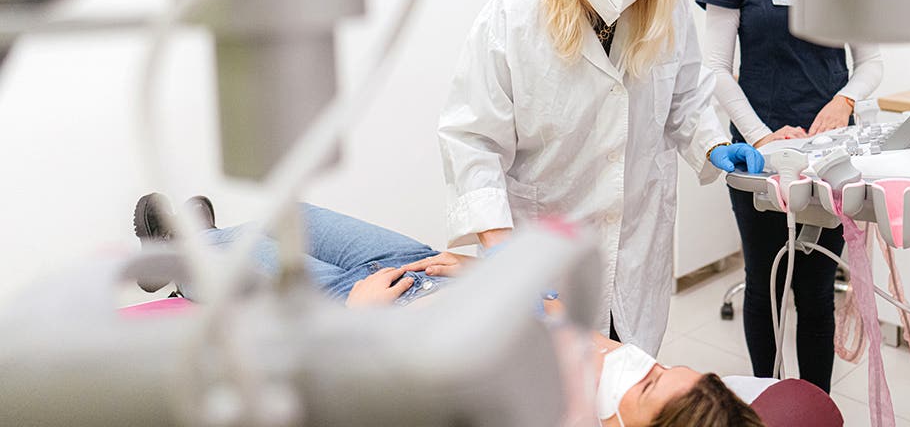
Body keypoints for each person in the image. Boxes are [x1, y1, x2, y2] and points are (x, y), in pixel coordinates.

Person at [130, 194, 768, 427]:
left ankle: (181, 254)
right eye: (671, 367)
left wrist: (359, 317)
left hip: (363, 311)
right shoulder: (636, 383)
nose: (646, 364)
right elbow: (554, 321)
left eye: (653, 382)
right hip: (428, 270)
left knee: (232, 255)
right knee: (291, 218)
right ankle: (203, 250)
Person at [439, 0, 764, 355]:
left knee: (622, 376)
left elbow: (686, 94)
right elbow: (472, 137)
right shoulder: (516, 11)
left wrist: (713, 144)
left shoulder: (664, 4)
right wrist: (499, 248)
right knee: (550, 391)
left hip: (635, 239)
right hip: (542, 248)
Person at [695, 0, 884, 392]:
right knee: (764, 283)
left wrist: (844, 102)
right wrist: (759, 135)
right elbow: (715, 67)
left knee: (817, 291)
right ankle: (766, 400)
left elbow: (871, 62)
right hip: (762, 155)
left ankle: (814, 407)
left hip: (829, 157)